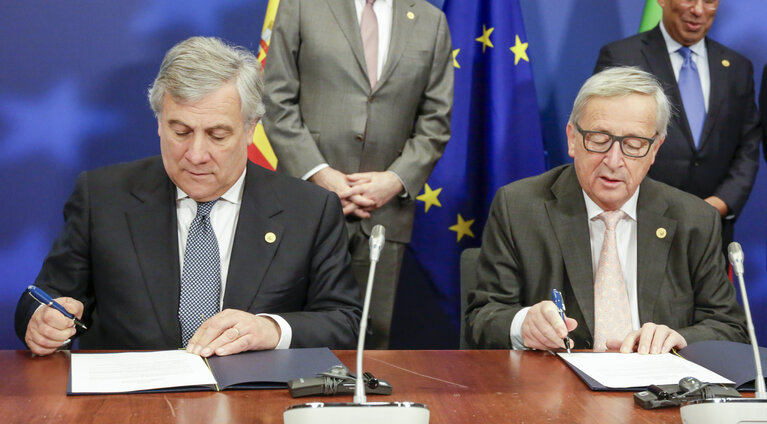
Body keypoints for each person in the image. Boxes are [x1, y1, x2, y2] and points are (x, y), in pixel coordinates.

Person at [15, 36, 361, 357]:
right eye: (180, 131)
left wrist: (270, 329)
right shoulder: (102, 196)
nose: (196, 154)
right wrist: (42, 320)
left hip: (252, 407)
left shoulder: (309, 209)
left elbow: (345, 322)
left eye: (217, 135)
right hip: (126, 407)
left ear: (251, 129)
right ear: (159, 123)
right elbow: (43, 297)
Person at [466, 67, 747, 353]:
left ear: (655, 150)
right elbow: (483, 317)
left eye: (634, 144)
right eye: (599, 139)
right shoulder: (519, 207)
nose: (614, 161)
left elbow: (730, 327)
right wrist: (523, 324)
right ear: (572, 138)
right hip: (556, 388)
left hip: (660, 390)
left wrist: (680, 338)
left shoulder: (694, 219)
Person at [262, 0, 453, 349]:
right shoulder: (302, 7)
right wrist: (320, 175)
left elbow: (435, 124)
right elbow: (275, 102)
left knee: (370, 340)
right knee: (288, 331)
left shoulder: (432, 21)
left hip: (382, 211)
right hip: (302, 204)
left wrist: (394, 180)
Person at [594, 0, 760, 251]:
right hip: (640, 228)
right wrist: (659, 208)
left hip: (712, 233)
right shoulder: (622, 57)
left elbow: (748, 146)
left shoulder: (737, 67)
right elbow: (604, 143)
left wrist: (718, 204)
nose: (698, 10)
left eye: (709, 1)